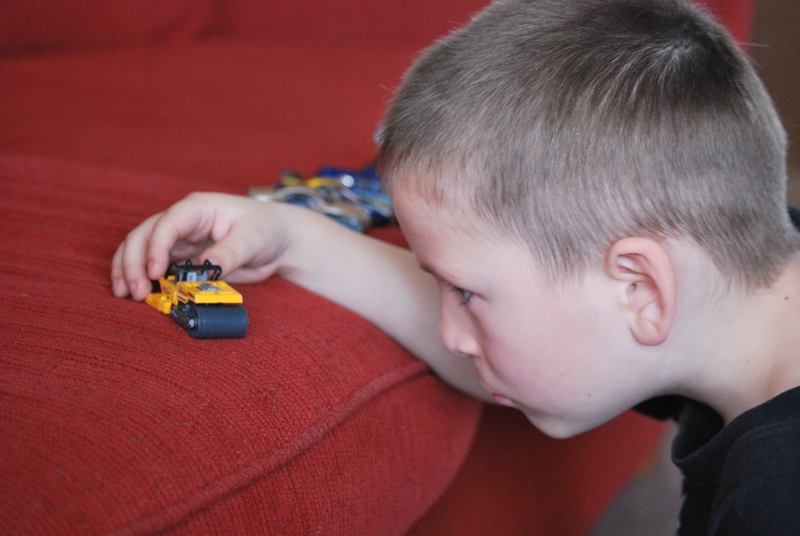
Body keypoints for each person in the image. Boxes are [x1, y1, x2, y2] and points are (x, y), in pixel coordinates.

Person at [111, 0, 800, 533]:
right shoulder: (742, 282)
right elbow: (520, 351)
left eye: (466, 294)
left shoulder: (775, 498)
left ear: (641, 289)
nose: (451, 332)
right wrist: (291, 239)